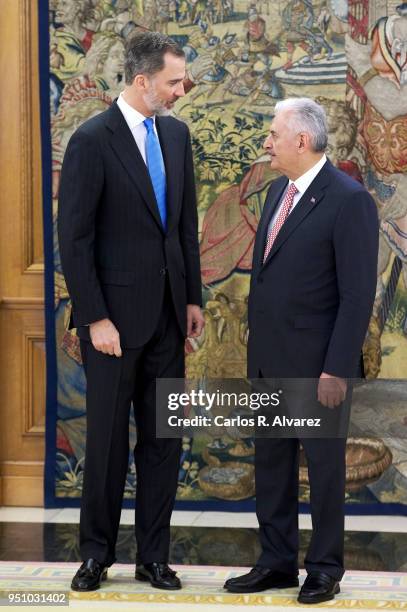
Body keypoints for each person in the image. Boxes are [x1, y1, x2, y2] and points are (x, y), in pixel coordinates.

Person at [58, 31, 204, 592]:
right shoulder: (92, 140)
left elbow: (183, 228)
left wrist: (192, 298)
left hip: (169, 317)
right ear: (142, 82)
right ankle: (95, 555)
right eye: (173, 81)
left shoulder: (177, 134)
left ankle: (153, 557)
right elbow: (74, 238)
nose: (180, 89)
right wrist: (95, 317)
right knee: (108, 444)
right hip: (112, 326)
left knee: (163, 441)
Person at [224, 98, 378, 603]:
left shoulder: (348, 199)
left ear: (302, 141)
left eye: (273, 134)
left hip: (318, 370)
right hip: (268, 362)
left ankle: (325, 568)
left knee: (325, 472)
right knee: (271, 467)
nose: (266, 142)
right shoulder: (275, 193)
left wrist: (336, 369)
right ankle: (275, 563)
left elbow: (357, 296)